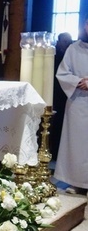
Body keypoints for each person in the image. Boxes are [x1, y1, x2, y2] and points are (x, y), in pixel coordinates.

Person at [54, 17, 88, 195]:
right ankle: (76, 182)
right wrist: (78, 81)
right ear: (85, 25)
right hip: (78, 101)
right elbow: (63, 73)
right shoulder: (73, 49)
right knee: (77, 144)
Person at [50, 32, 74, 160]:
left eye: (69, 41)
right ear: (58, 42)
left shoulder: (70, 54)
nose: (68, 44)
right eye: (65, 41)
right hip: (55, 94)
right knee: (56, 124)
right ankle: (53, 151)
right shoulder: (53, 57)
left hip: (68, 96)